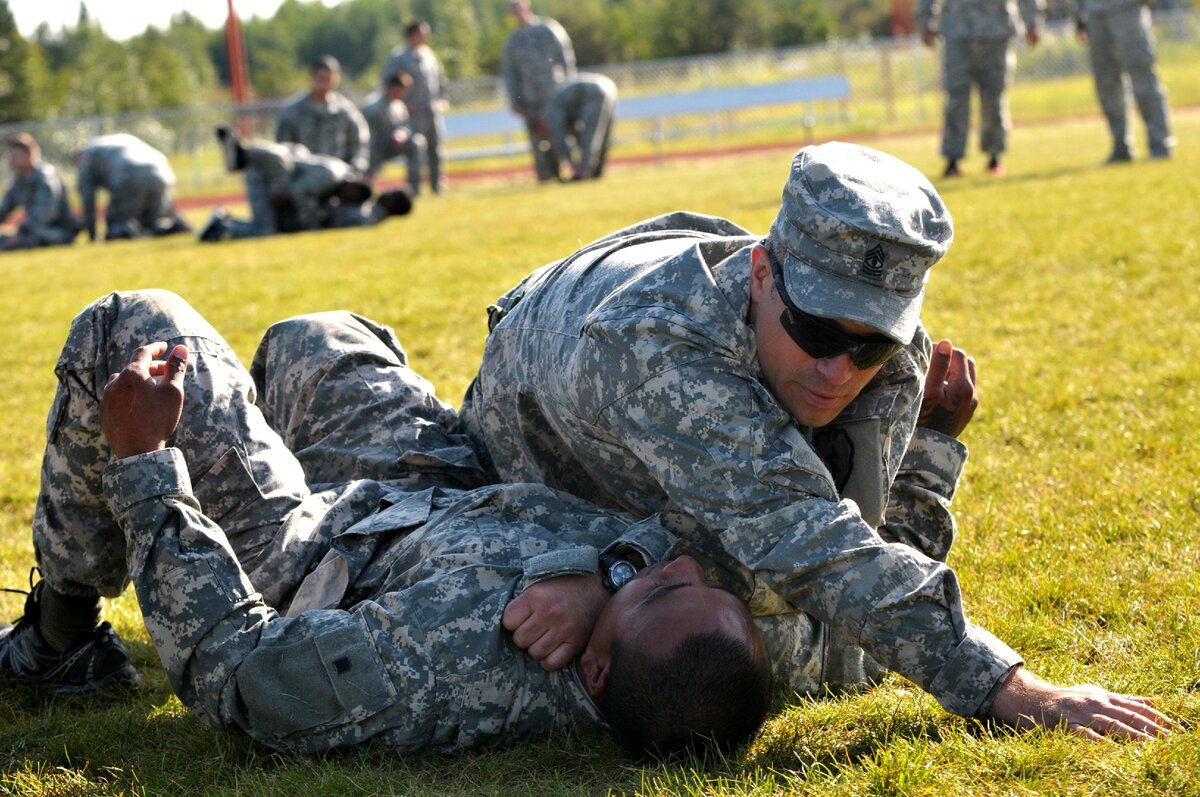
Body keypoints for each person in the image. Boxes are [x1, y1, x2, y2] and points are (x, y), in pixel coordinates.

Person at [458, 141, 1175, 740]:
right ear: (764, 274)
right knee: (733, 637)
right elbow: (808, 542)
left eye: (870, 346)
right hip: (541, 436)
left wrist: (925, 448)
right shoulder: (657, 348)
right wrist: (1012, 687)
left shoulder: (892, 360)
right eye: (818, 332)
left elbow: (857, 552)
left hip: (700, 386)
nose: (840, 371)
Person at [0, 290, 772, 761]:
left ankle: (62, 640)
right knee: (321, 337)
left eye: (647, 590)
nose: (671, 566)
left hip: (314, 549)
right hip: (430, 491)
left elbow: (239, 677)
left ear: (594, 676)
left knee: (128, 325)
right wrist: (610, 575)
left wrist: (146, 461)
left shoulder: (441, 663)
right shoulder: (689, 642)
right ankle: (259, 445)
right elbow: (675, 551)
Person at [198, 130, 411, 242]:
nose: (345, 201)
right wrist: (311, 222)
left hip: (273, 173)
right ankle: (225, 224)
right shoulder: (332, 177)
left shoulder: (340, 180)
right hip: (266, 177)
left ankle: (226, 222)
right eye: (351, 196)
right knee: (266, 231)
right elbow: (296, 192)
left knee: (269, 227)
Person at [917, 0, 1044, 177]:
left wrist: (1033, 22)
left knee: (994, 99)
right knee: (956, 99)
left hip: (996, 31)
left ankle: (994, 157)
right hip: (957, 32)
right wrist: (925, 22)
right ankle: (952, 160)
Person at [1075, 0, 1175, 162]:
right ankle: (1121, 147)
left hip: (1128, 9)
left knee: (1143, 77)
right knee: (1107, 84)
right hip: (1095, 14)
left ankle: (1160, 144)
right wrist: (1080, 14)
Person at [501, 0, 576, 182]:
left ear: (528, 7)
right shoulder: (513, 41)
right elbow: (510, 73)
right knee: (538, 138)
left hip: (555, 94)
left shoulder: (548, 29)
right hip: (530, 99)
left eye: (520, 8)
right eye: (514, 10)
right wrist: (515, 100)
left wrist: (569, 87)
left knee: (560, 132)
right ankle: (546, 175)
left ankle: (571, 169)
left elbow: (566, 58)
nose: (518, 13)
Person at [74, 133, 192, 241]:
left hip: (129, 173)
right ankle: (175, 225)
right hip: (163, 172)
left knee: (117, 228)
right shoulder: (119, 139)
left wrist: (92, 236)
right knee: (154, 224)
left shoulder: (88, 155)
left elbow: (88, 199)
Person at [379, 19, 450, 194]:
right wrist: (401, 105)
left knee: (436, 149)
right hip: (412, 112)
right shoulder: (399, 57)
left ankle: (437, 185)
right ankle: (414, 188)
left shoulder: (429, 54)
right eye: (423, 32)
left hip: (432, 111)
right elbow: (388, 82)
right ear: (412, 34)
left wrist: (442, 99)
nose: (427, 35)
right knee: (416, 150)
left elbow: (440, 79)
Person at [276, 55, 371, 176]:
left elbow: (359, 143)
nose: (325, 85)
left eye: (330, 80)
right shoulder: (292, 111)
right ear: (312, 76)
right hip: (303, 176)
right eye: (321, 79)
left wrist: (356, 167)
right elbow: (284, 147)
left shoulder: (345, 110)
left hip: (340, 175)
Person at [0, 134, 79, 252]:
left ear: (29, 155)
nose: (10, 159)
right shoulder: (19, 181)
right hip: (33, 229)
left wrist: (21, 232)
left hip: (58, 231)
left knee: (28, 239)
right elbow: (4, 209)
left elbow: (45, 213)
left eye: (15, 156)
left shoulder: (45, 177)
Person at [360, 71, 427, 193]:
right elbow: (365, 135)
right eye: (400, 90)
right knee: (369, 152)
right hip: (374, 146)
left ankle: (413, 188)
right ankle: (365, 186)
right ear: (391, 88)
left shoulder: (399, 105)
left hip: (393, 145)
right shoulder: (372, 106)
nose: (402, 94)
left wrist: (402, 134)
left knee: (417, 142)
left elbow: (406, 126)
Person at [544, 73, 618, 182]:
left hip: (594, 91)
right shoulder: (558, 103)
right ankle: (596, 171)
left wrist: (571, 163)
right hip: (609, 87)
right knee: (600, 134)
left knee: (591, 134)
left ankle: (582, 172)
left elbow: (560, 137)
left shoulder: (550, 111)